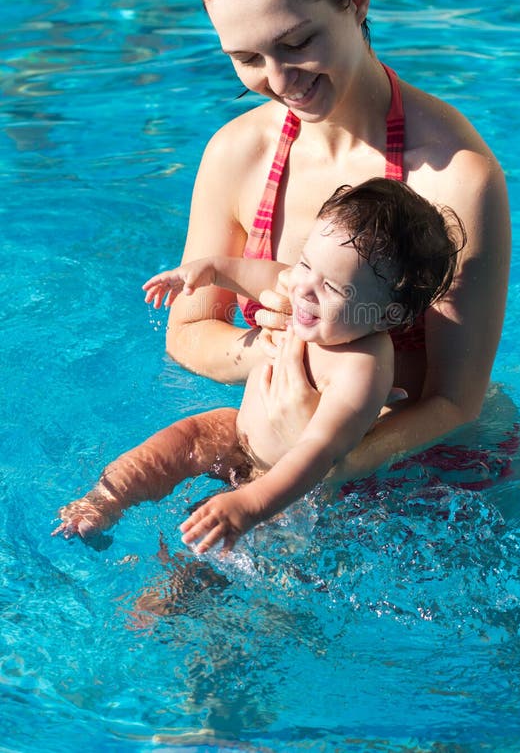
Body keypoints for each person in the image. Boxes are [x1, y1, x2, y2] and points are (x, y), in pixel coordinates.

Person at [159, 0, 510, 483]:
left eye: (297, 43)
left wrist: (324, 467)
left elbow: (455, 401)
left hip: (428, 469)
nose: (278, 80)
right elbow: (189, 331)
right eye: (246, 58)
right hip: (276, 446)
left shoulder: (455, 177)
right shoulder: (237, 155)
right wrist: (276, 350)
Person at [53, 178, 464, 551]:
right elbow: (260, 274)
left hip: (291, 489)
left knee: (219, 558)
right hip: (238, 436)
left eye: (333, 286)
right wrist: (206, 271)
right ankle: (105, 500)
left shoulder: (362, 366)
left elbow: (320, 452)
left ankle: (179, 594)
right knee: (187, 435)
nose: (303, 288)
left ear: (387, 315)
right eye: (306, 263)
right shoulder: (306, 291)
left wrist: (252, 504)